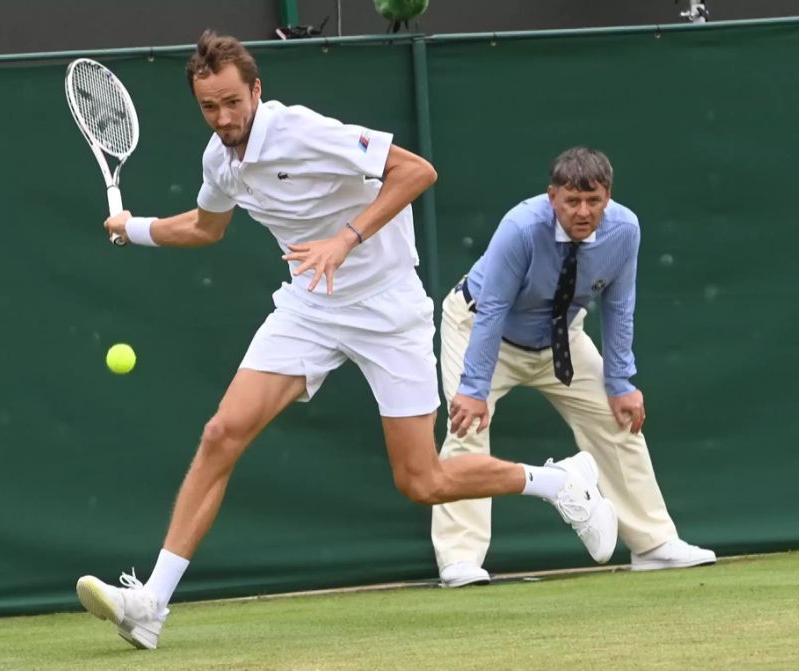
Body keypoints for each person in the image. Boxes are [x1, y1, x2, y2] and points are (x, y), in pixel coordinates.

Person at [75, 33, 618, 650]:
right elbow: (206, 227)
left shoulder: (302, 131)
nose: (224, 118)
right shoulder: (219, 160)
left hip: (388, 307)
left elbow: (416, 171)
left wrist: (345, 239)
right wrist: (136, 228)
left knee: (422, 481)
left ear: (256, 90)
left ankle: (560, 483)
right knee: (221, 434)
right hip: (309, 306)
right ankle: (150, 604)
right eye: (209, 107)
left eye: (232, 102)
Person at [431, 147, 717, 588]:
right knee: (466, 428)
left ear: (608, 197)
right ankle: (459, 559)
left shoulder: (625, 230)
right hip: (479, 326)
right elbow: (492, 309)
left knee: (618, 420)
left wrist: (621, 381)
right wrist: (473, 388)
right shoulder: (521, 228)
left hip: (561, 336)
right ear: (553, 197)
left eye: (594, 201)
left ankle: (654, 543)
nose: (583, 212)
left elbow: (620, 306)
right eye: (572, 201)